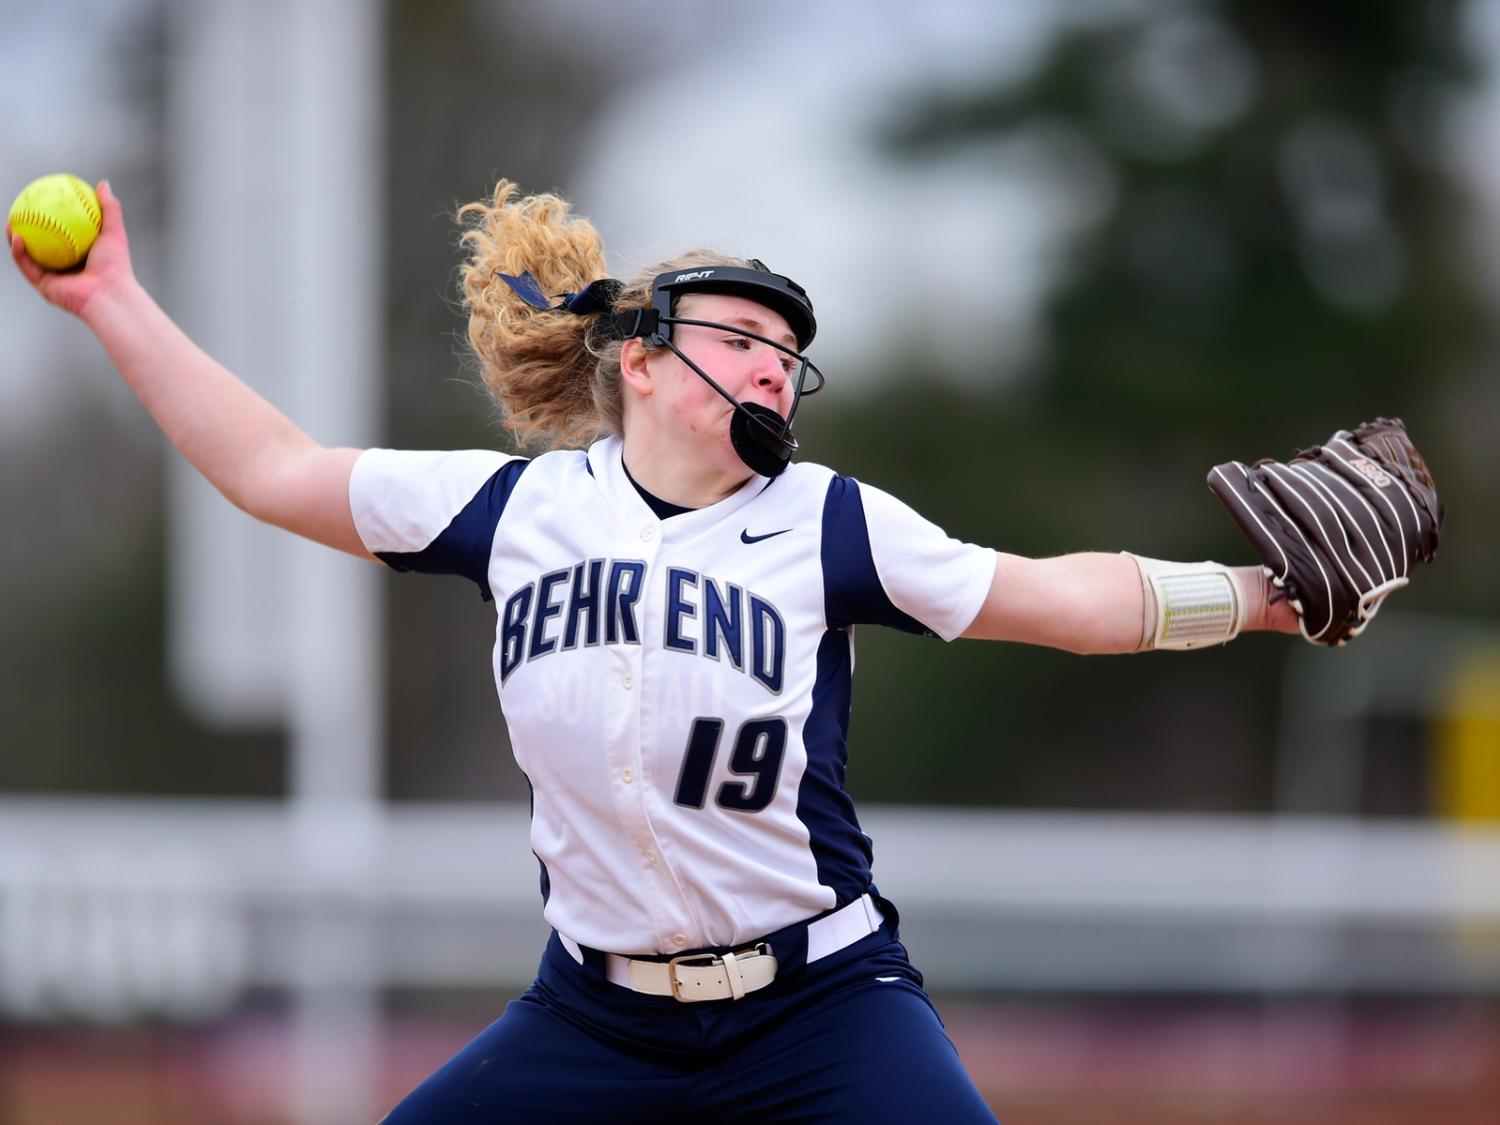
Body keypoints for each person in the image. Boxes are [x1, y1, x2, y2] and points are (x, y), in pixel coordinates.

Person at [10, 179, 1299, 1124]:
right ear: (638, 356)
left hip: (821, 1010)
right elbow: (273, 471)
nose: (773, 374)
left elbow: (1056, 601)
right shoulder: (519, 509)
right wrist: (113, 299)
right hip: (594, 1018)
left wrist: (1256, 594)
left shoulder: (826, 521)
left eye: (790, 359)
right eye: (740, 341)